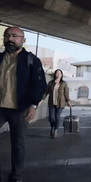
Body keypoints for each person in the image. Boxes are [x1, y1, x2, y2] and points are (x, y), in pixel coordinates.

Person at [0, 27, 46, 182]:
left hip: (20, 109)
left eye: (14, 36)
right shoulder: (0, 58)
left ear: (23, 40)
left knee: (18, 144)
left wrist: (33, 105)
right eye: (7, 35)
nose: (10, 39)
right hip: (0, 108)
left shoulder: (31, 60)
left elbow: (39, 85)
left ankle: (17, 176)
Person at [40, 69, 72, 139]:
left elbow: (66, 93)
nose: (58, 74)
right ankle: (52, 126)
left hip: (60, 103)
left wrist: (68, 101)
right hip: (51, 103)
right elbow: (46, 92)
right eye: (57, 73)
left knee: (57, 117)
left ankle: (56, 130)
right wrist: (41, 100)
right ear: (55, 74)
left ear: (61, 75)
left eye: (59, 73)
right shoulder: (50, 83)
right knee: (51, 117)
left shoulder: (64, 83)